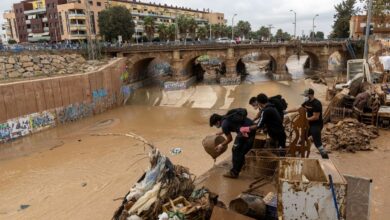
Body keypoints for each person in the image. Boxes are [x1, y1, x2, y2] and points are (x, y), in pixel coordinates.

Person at [209, 109, 255, 179]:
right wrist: (222, 132)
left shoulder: (224, 124)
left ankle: (234, 173)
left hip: (245, 131)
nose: (216, 126)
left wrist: (221, 145)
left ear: (218, 122)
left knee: (236, 150)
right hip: (251, 127)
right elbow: (231, 125)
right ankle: (241, 165)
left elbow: (230, 139)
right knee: (243, 150)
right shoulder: (226, 117)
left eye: (215, 125)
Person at [285, 88, 329, 159]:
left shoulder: (317, 103)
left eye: (306, 95)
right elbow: (298, 108)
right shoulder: (307, 102)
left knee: (318, 143)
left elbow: (316, 117)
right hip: (309, 124)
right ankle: (297, 153)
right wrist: (287, 111)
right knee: (302, 138)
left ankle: (325, 158)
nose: (304, 97)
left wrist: (305, 119)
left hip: (316, 125)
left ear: (310, 95)